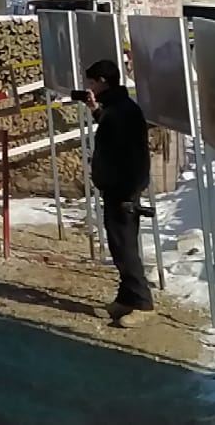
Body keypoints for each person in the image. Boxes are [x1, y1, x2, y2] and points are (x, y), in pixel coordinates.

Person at [84, 59, 153, 325]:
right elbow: (110, 125)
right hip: (116, 188)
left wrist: (129, 191)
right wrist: (95, 111)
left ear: (103, 81)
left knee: (125, 248)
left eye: (92, 82)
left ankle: (143, 303)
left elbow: (133, 154)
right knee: (118, 245)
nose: (89, 88)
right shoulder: (117, 108)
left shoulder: (124, 110)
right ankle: (126, 298)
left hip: (123, 190)